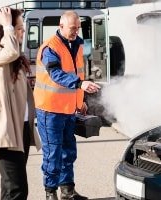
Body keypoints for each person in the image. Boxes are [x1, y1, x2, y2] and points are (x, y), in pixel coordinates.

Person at [34, 10, 101, 200]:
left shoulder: (77, 45)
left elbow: (77, 73)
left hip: (68, 109)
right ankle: (50, 193)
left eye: (78, 28)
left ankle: (67, 192)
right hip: (49, 111)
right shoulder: (50, 48)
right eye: (73, 28)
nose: (76, 32)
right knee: (53, 154)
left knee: (68, 152)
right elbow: (56, 75)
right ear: (61, 26)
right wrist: (81, 85)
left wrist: (81, 101)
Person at [0, 7, 41, 200]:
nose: (22, 32)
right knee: (17, 189)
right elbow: (11, 52)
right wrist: (8, 26)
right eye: (19, 28)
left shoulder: (13, 54)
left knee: (10, 187)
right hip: (4, 127)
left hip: (20, 127)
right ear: (5, 28)